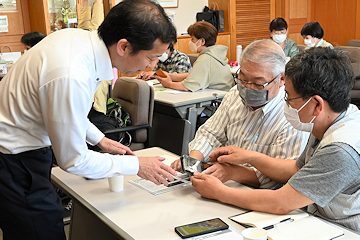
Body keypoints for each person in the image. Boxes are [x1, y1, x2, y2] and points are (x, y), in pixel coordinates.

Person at [0, 0, 178, 239]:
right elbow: (72, 160)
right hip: (14, 160)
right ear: (124, 46)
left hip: (19, 150)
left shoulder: (77, 40)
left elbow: (64, 111)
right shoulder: (71, 72)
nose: (152, 65)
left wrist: (100, 138)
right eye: (151, 58)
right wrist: (137, 166)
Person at [190, 47, 360, 232]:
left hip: (343, 230)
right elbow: (296, 169)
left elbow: (282, 202)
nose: (285, 102)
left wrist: (220, 192)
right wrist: (250, 157)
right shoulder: (332, 118)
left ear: (316, 104)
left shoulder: (340, 149)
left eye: (289, 97)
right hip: (319, 219)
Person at [171, 39, 309, 190]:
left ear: (281, 79)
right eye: (243, 79)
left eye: (258, 83)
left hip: (260, 195)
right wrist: (193, 161)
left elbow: (281, 177)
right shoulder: (235, 95)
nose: (248, 88)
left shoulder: (292, 114)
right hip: (224, 183)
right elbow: (211, 133)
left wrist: (232, 172)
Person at [155, 21, 234, 92]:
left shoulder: (205, 59)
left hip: (216, 100)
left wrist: (168, 84)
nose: (190, 42)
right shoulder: (214, 54)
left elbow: (187, 86)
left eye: (192, 39)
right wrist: (170, 76)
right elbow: (194, 75)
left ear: (202, 41)